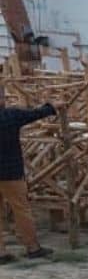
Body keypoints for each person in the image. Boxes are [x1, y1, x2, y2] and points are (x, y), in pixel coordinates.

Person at [0, 93, 58, 263]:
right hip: (12, 173)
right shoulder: (11, 115)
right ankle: (32, 247)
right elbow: (34, 114)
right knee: (22, 210)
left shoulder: (11, 114)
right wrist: (52, 106)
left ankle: (1, 252)